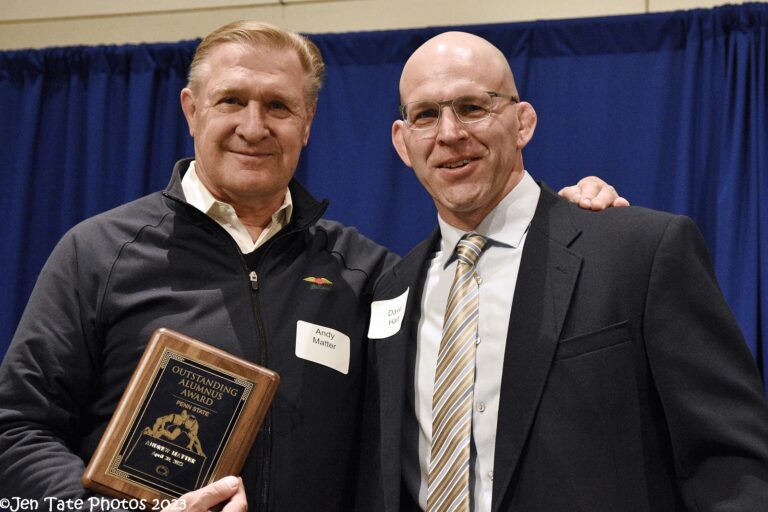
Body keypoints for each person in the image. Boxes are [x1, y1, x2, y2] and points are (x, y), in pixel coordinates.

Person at [0, 21, 625, 510]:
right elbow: (15, 432)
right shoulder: (97, 253)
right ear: (192, 110)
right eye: (232, 101)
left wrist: (562, 222)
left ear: (308, 122)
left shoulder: (369, 274)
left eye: (278, 106)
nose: (253, 126)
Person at [358, 31, 768, 511]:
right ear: (403, 142)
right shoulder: (391, 289)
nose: (449, 133)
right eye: (425, 115)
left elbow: (733, 466)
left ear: (522, 123)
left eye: (472, 107)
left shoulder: (638, 252)